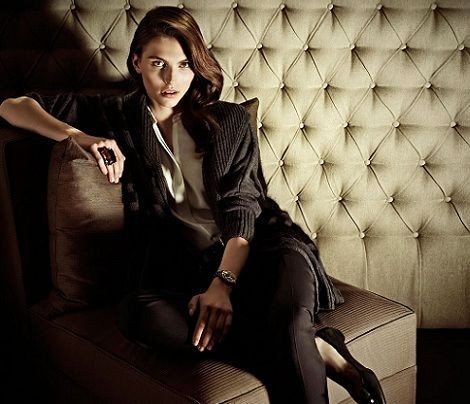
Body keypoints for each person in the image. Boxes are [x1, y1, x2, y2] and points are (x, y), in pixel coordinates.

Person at [0, 6, 385, 404]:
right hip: (190, 269)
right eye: (158, 64)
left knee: (289, 317)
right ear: (137, 62)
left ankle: (295, 337)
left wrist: (222, 285)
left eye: (184, 65)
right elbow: (13, 106)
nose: (172, 80)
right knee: (138, 315)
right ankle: (317, 346)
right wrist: (79, 136)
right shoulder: (117, 116)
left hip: (264, 249)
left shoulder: (229, 120)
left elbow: (241, 208)